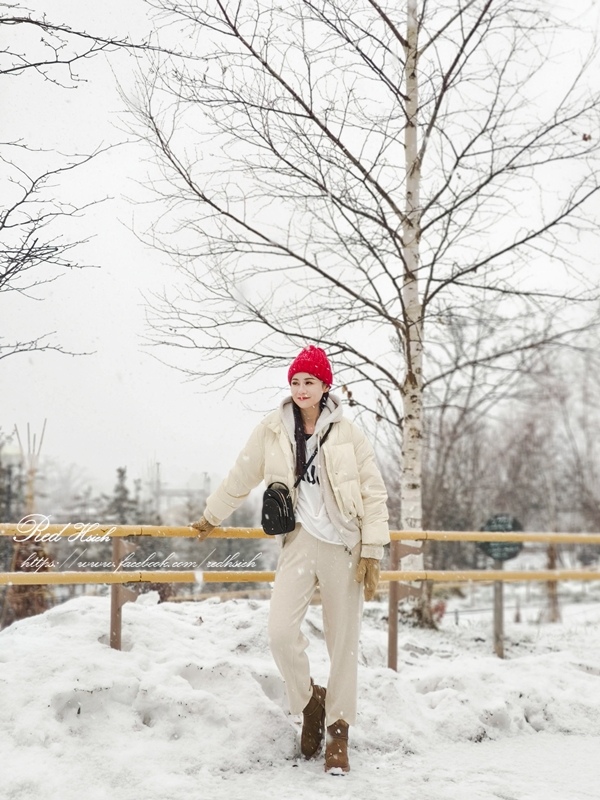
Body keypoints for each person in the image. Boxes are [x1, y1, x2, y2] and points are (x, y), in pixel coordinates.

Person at [191, 345, 389, 773]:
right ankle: (309, 703)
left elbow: (373, 491)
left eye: (310, 382)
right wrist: (211, 514)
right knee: (280, 632)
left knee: (343, 644)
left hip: (342, 545)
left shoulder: (348, 433)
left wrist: (371, 550)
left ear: (324, 386)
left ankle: (339, 729)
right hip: (298, 542)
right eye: (296, 382)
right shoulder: (272, 429)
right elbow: (242, 474)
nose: (301, 389)